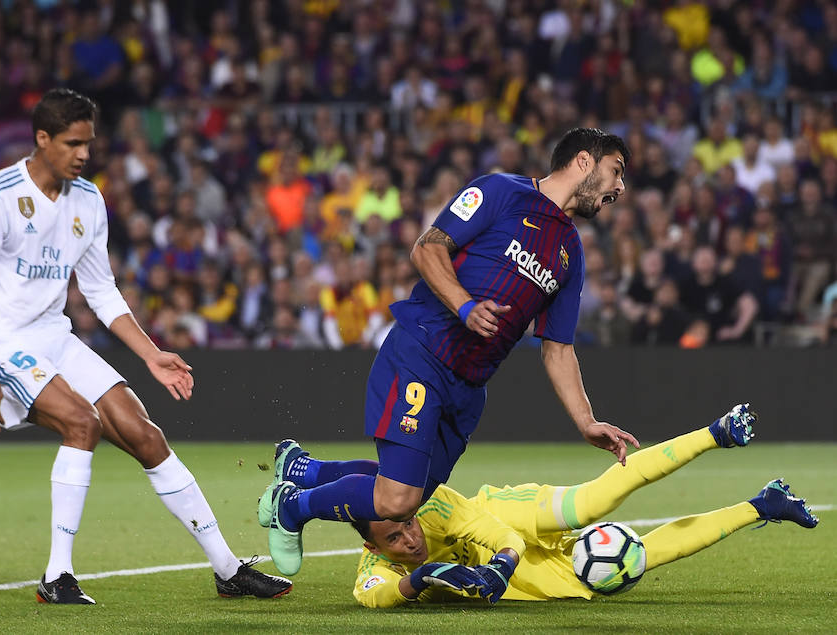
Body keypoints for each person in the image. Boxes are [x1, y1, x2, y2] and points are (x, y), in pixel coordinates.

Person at [0, 89, 291, 604]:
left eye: (89, 142)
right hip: (2, 345)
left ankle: (227, 569)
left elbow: (100, 290)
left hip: (54, 337)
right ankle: (57, 576)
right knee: (81, 424)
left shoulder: (88, 200)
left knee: (145, 434)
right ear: (42, 140)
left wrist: (151, 353)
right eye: (72, 143)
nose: (84, 154)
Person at [258, 128, 639, 576]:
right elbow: (428, 249)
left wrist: (585, 420)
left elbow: (558, 348)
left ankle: (303, 469)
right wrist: (464, 307)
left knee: (410, 492)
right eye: (615, 171)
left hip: (469, 387)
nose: (620, 187)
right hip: (424, 351)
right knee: (396, 500)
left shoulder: (570, 251)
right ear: (582, 162)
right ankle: (293, 507)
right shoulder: (500, 190)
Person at [348, 404, 819, 607]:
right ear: (373, 545)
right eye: (394, 538)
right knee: (636, 560)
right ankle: (764, 505)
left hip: (502, 522)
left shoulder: (436, 507)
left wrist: (501, 563)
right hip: (522, 583)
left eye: (406, 523)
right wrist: (420, 577)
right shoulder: (374, 568)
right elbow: (377, 596)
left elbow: (499, 536)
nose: (410, 537)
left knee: (590, 504)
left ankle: (716, 432)